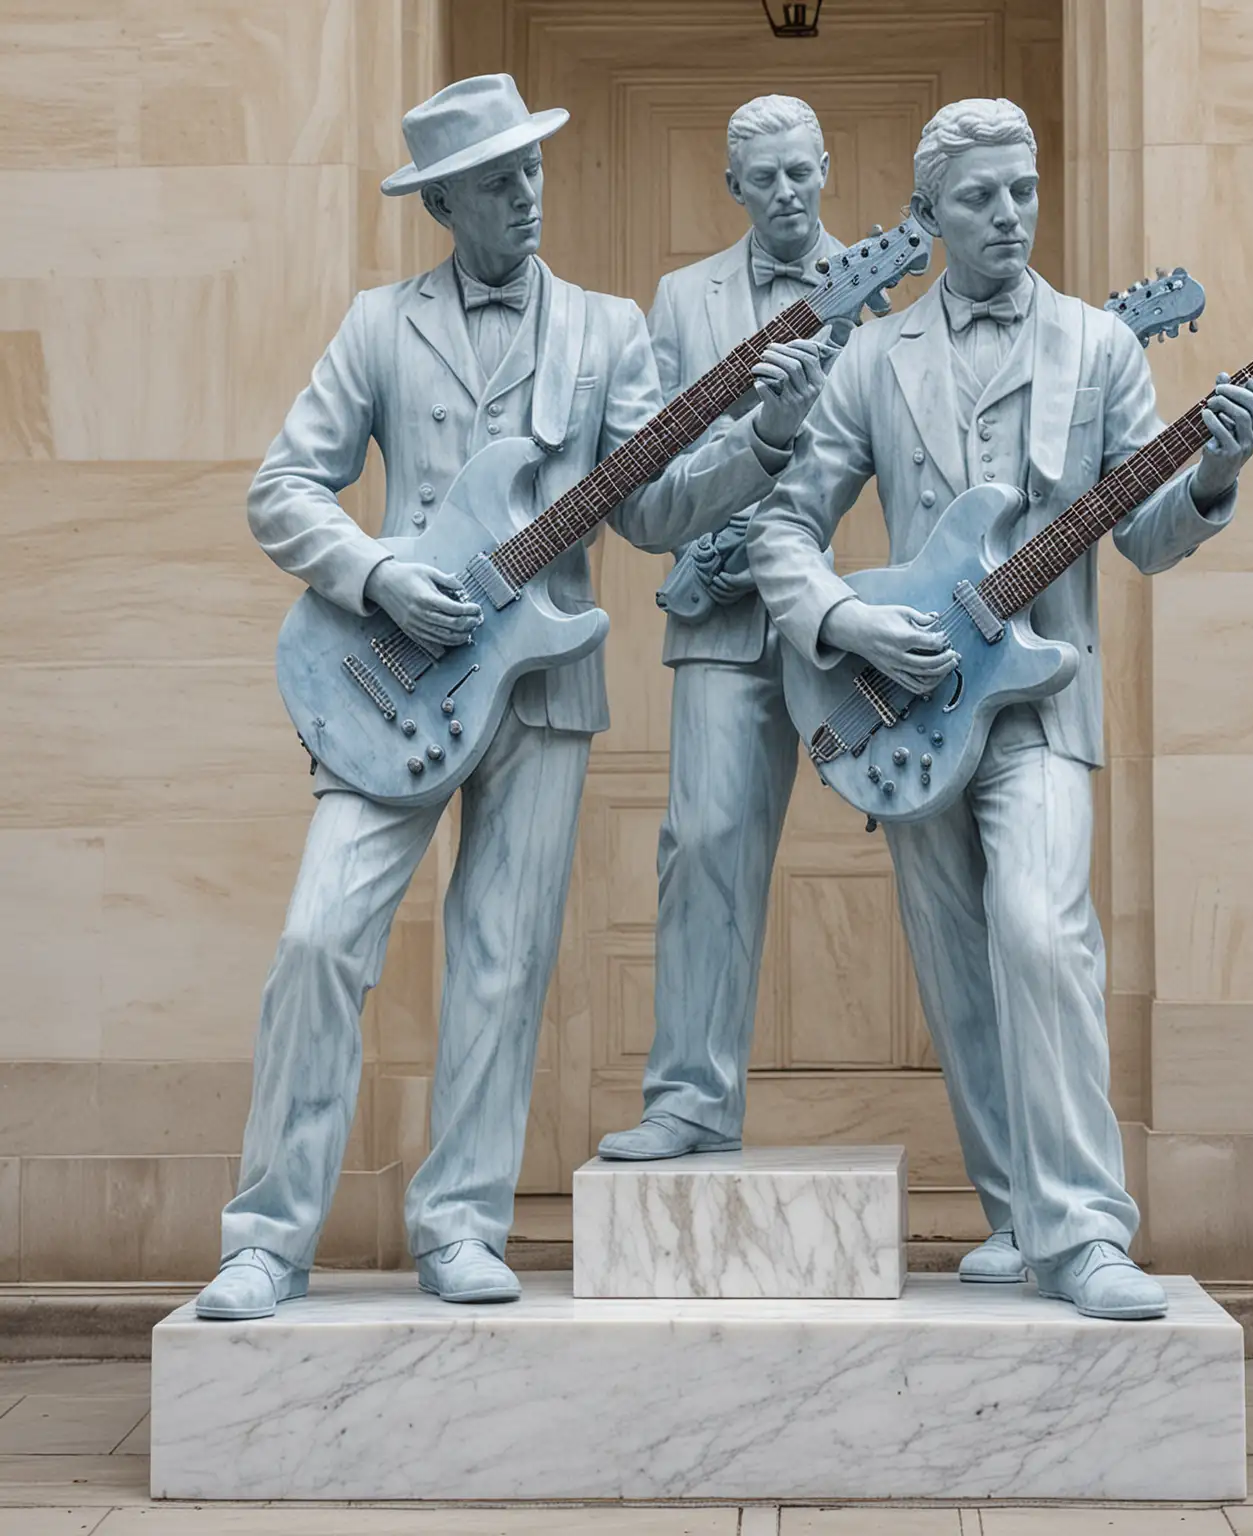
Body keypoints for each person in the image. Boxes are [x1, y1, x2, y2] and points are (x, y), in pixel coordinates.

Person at [194, 74, 826, 1320]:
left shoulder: (603, 331)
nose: (526, 194)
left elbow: (647, 508)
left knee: (501, 962)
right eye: (497, 180)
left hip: (540, 695)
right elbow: (283, 490)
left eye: (532, 168)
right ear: (442, 201)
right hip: (386, 683)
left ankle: (462, 1223)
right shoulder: (378, 326)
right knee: (319, 938)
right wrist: (376, 574)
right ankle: (267, 1237)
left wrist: (760, 442)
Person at [745, 98, 1253, 1318]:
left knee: (1041, 936)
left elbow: (1141, 536)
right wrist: (843, 621)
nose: (1010, 215)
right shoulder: (875, 359)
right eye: (981, 196)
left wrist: (1217, 473)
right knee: (960, 975)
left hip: (1038, 705)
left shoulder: (1098, 349)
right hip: (905, 704)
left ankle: (1085, 1230)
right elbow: (785, 525)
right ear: (928, 214)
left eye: (1025, 191)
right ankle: (1016, 1214)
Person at [598, 94, 1025, 1285]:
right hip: (721, 612)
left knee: (944, 884)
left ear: (831, 169)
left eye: (804, 172)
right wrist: (753, 449)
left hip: (853, 625)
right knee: (704, 840)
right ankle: (689, 1100)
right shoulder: (684, 303)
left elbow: (917, 453)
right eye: (766, 178)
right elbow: (658, 478)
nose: (789, 194)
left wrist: (881, 598)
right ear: (735, 186)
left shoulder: (891, 280)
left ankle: (1025, 1195)